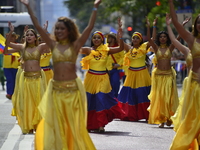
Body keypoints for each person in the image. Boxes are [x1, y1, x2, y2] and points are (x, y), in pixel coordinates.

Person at [20, 0, 101, 149]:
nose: (58, 31)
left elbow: (89, 28)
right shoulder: (52, 45)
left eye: (61, 28)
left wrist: (95, 7)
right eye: (56, 28)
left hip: (72, 91)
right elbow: (37, 26)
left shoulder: (75, 45)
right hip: (55, 91)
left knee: (72, 125)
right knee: (55, 124)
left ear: (69, 30)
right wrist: (28, 8)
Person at [5, 23, 48, 134]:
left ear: (35, 37)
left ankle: (38, 124)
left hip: (38, 79)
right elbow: (7, 44)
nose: (29, 36)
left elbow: (50, 43)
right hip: (26, 79)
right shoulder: (21, 47)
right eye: (27, 35)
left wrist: (44, 30)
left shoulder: (40, 47)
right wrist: (11, 31)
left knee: (38, 102)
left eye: (31, 35)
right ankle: (28, 125)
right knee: (27, 103)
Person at [80, 27, 125, 132]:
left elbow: (120, 48)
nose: (96, 39)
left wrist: (121, 37)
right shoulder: (88, 50)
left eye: (98, 38)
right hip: (90, 79)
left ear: (102, 40)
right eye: (94, 38)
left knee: (101, 99)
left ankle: (101, 125)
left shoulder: (106, 50)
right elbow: (75, 48)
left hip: (103, 78)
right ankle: (89, 124)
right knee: (90, 101)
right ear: (92, 40)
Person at [169, 0, 200, 149]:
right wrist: (170, 2)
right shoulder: (191, 40)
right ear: (196, 25)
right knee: (193, 119)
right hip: (195, 85)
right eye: (199, 22)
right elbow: (176, 23)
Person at [146, 17, 179, 128]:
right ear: (159, 39)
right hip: (159, 76)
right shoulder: (156, 48)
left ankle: (169, 118)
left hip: (169, 75)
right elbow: (151, 40)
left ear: (167, 38)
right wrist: (151, 26)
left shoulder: (170, 48)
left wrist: (181, 26)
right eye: (161, 37)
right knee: (160, 98)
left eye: (165, 36)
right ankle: (161, 119)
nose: (163, 38)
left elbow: (177, 38)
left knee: (168, 98)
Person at [117, 30, 151, 121]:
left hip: (142, 74)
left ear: (140, 40)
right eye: (134, 38)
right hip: (131, 74)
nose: (135, 39)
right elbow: (121, 43)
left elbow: (152, 40)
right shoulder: (129, 49)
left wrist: (151, 27)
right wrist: (119, 34)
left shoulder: (144, 48)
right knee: (129, 93)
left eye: (137, 38)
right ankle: (130, 114)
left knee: (142, 93)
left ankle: (146, 114)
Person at [106, 32, 125, 98]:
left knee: (115, 85)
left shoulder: (118, 48)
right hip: (106, 71)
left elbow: (123, 57)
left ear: (114, 39)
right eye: (108, 37)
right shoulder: (104, 47)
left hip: (115, 70)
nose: (109, 39)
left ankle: (115, 102)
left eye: (111, 37)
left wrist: (118, 64)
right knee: (106, 88)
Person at [3, 32, 20, 99]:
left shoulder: (18, 45)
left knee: (16, 80)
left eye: (13, 37)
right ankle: (9, 93)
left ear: (15, 38)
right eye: (10, 37)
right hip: (7, 66)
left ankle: (15, 93)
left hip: (16, 66)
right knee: (9, 79)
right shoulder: (4, 46)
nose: (11, 38)